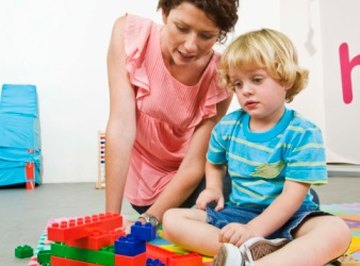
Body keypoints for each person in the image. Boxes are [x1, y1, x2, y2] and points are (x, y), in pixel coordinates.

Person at [162, 28, 352, 265]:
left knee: (336, 230)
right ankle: (252, 251)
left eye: (257, 80)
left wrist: (254, 228)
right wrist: (213, 188)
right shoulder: (228, 126)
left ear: (285, 79)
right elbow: (214, 161)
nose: (246, 90)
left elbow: (292, 197)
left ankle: (261, 260)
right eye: (238, 84)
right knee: (171, 219)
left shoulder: (303, 132)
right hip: (239, 212)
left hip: (293, 216)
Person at [105, 0, 239, 227]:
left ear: (219, 35)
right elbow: (121, 128)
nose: (190, 46)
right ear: (165, 14)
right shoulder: (131, 35)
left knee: (262, 191)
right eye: (182, 28)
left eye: (206, 36)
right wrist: (110, 219)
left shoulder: (222, 72)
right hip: (146, 189)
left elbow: (195, 164)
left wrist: (147, 221)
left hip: (189, 181)